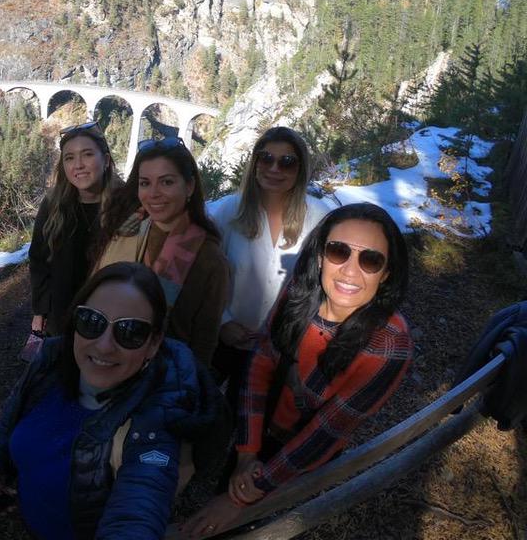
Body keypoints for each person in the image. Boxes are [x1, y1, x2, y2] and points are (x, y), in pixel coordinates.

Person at [181, 203, 413, 539]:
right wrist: (247, 455)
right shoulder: (299, 294)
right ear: (320, 256)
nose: (350, 270)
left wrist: (248, 493)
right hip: (262, 428)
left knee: (266, 524)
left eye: (370, 260)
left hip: (307, 455)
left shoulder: (389, 345)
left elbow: (326, 430)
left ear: (387, 273)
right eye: (338, 251)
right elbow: (260, 365)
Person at [0, 262, 228, 540]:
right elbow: (9, 421)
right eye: (91, 321)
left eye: (130, 331)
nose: (104, 345)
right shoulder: (48, 362)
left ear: (154, 344)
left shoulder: (154, 420)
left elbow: (138, 507)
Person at [209, 127, 331, 403]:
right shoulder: (229, 211)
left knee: (256, 428)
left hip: (283, 350)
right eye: (266, 159)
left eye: (287, 162)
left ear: (301, 169)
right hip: (227, 341)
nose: (274, 168)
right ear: (254, 164)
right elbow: (203, 275)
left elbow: (327, 285)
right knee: (207, 414)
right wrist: (223, 322)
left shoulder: (319, 218)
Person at [95, 137, 229, 366]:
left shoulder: (209, 259)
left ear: (189, 187)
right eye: (145, 183)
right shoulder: (127, 230)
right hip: (102, 358)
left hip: (164, 376)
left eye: (166, 182)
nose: (153, 194)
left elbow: (205, 340)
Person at [29, 121, 121, 336]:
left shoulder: (125, 205)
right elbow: (39, 259)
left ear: (106, 160)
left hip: (109, 318)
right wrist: (41, 310)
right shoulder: (53, 204)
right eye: (69, 158)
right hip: (61, 316)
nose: (78, 164)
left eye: (87, 154)